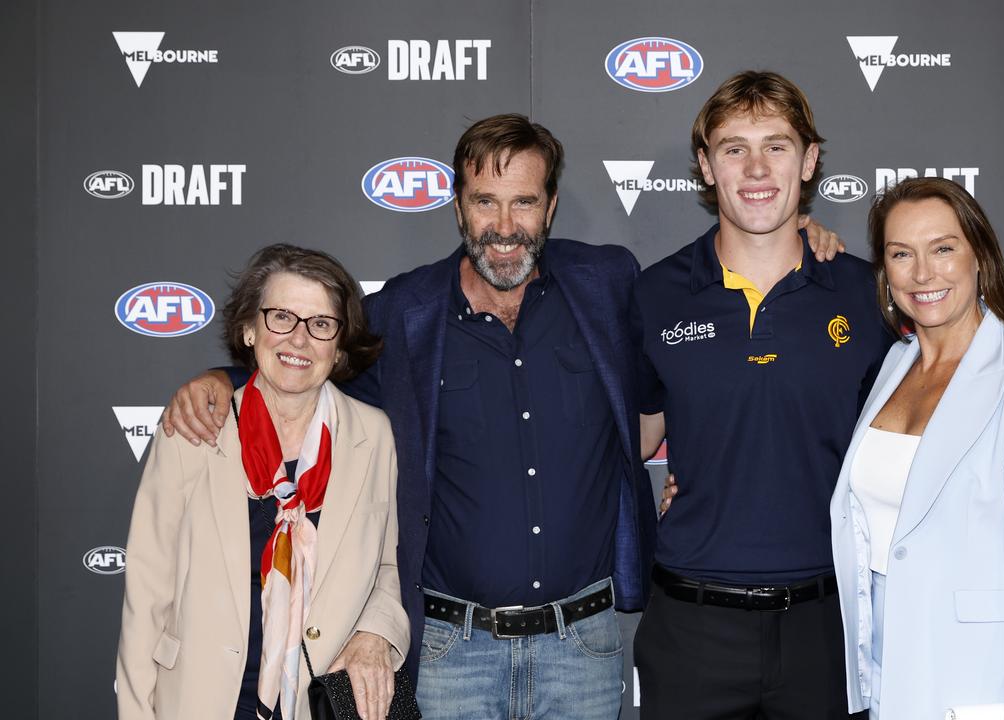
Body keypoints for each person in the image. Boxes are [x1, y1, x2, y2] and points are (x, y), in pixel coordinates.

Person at [161, 114, 846, 719]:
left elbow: (691, 350)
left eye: (524, 201)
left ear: (549, 208)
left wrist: (802, 235)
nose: (505, 226)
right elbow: (313, 375)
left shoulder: (607, 285)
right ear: (459, 207)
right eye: (485, 202)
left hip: (585, 644)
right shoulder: (407, 311)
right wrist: (225, 379)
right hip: (451, 649)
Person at [631, 71, 893, 719]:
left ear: (808, 161)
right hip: (690, 627)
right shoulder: (654, 293)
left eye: (776, 146)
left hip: (826, 626)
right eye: (733, 147)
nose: (755, 167)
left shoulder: (867, 294)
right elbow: (627, 437)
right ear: (705, 165)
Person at [829, 177, 1004, 719]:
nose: (923, 274)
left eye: (943, 249)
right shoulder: (894, 367)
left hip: (976, 685)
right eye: (902, 254)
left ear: (979, 258)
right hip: (886, 672)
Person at [117, 244, 409, 720]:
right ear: (250, 330)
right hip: (200, 698)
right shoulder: (192, 432)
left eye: (320, 324)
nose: (299, 340)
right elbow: (147, 596)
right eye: (281, 318)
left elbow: (388, 570)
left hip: (316, 701)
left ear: (338, 346)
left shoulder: (374, 436)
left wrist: (375, 634)